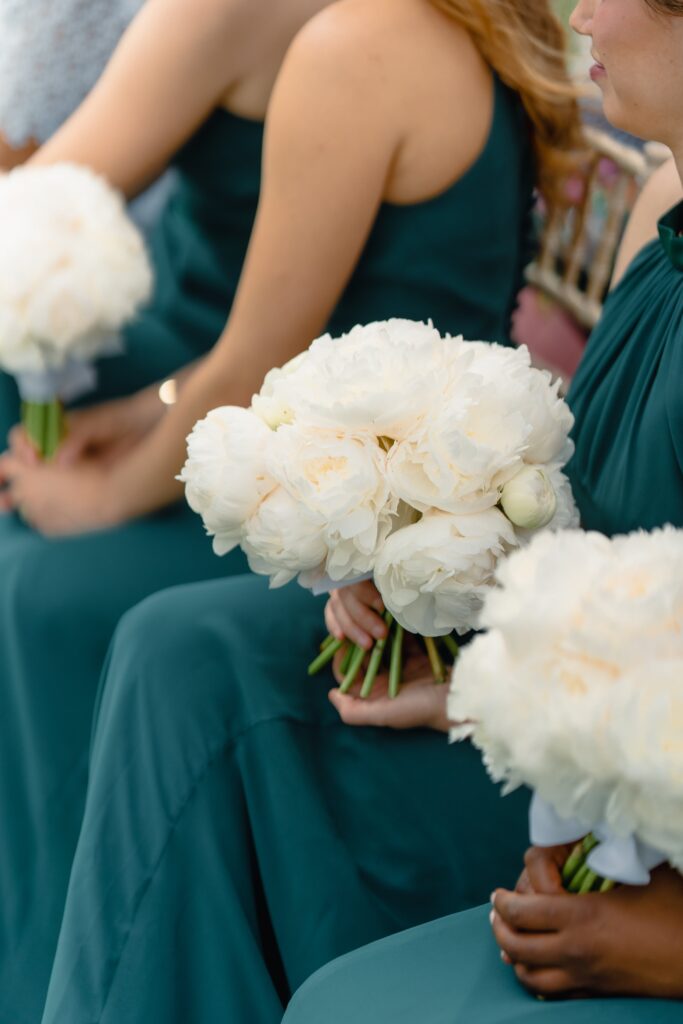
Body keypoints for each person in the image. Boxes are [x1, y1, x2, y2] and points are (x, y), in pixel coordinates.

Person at [14, 0, 583, 1022]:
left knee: (46, 585)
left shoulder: (354, 46)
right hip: (374, 495)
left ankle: (56, 957)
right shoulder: (455, 22)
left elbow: (249, 366)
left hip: (355, 524)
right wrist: (138, 418)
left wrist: (97, 491)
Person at [281, 0, 683, 1015]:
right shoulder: (662, 210)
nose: (581, 11)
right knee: (194, 668)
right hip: (607, 799)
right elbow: (604, 550)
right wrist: (470, 663)